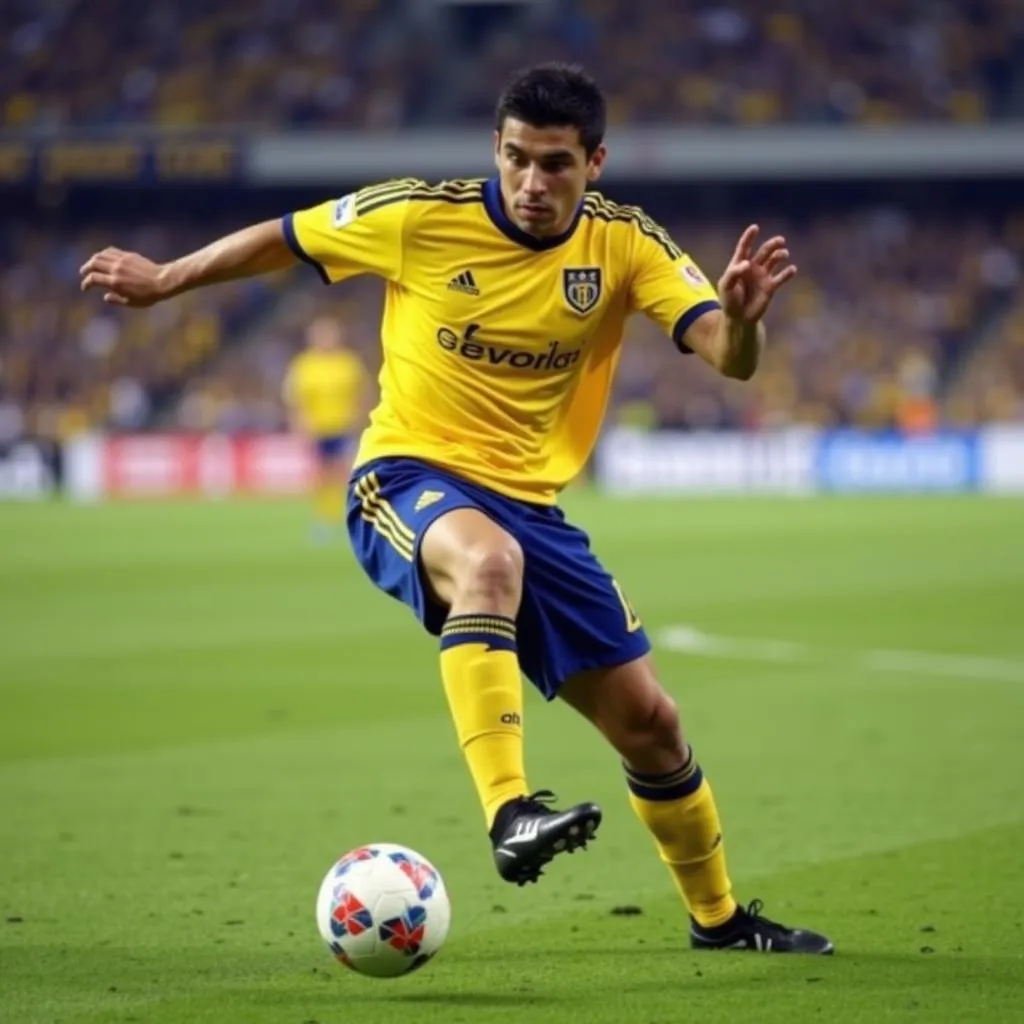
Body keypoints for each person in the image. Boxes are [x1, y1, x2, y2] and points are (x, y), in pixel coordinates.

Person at [80, 62, 832, 955]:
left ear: (596, 162)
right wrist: (166, 278)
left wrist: (743, 321)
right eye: (517, 158)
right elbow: (285, 237)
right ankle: (510, 810)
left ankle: (719, 922)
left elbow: (728, 355)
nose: (532, 181)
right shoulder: (420, 216)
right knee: (488, 564)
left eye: (556, 163)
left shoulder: (627, 245)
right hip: (405, 477)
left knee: (653, 725)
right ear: (495, 149)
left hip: (534, 508)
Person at [282, 316, 369, 538]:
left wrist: (360, 420)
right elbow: (295, 399)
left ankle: (343, 516)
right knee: (320, 475)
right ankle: (322, 517)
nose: (326, 339)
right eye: (321, 335)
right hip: (318, 429)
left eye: (330, 334)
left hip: (344, 427)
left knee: (343, 474)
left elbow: (363, 393)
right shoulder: (304, 365)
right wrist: (300, 426)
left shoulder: (349, 362)